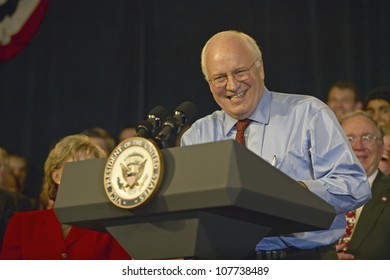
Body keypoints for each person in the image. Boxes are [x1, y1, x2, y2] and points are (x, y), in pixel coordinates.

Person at [180, 30, 371, 259]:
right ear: (209, 83)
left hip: (302, 260)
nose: (231, 85)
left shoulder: (308, 113)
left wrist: (297, 194)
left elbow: (355, 185)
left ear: (260, 68)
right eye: (219, 77)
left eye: (240, 72)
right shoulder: (197, 135)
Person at [0, 134, 132, 259]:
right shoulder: (23, 224)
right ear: (57, 176)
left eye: (93, 169)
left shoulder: (108, 230)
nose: (88, 175)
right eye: (80, 167)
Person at [337, 111, 390, 259]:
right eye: (350, 138)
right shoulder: (316, 192)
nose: (358, 146)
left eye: (367, 138)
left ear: (381, 148)